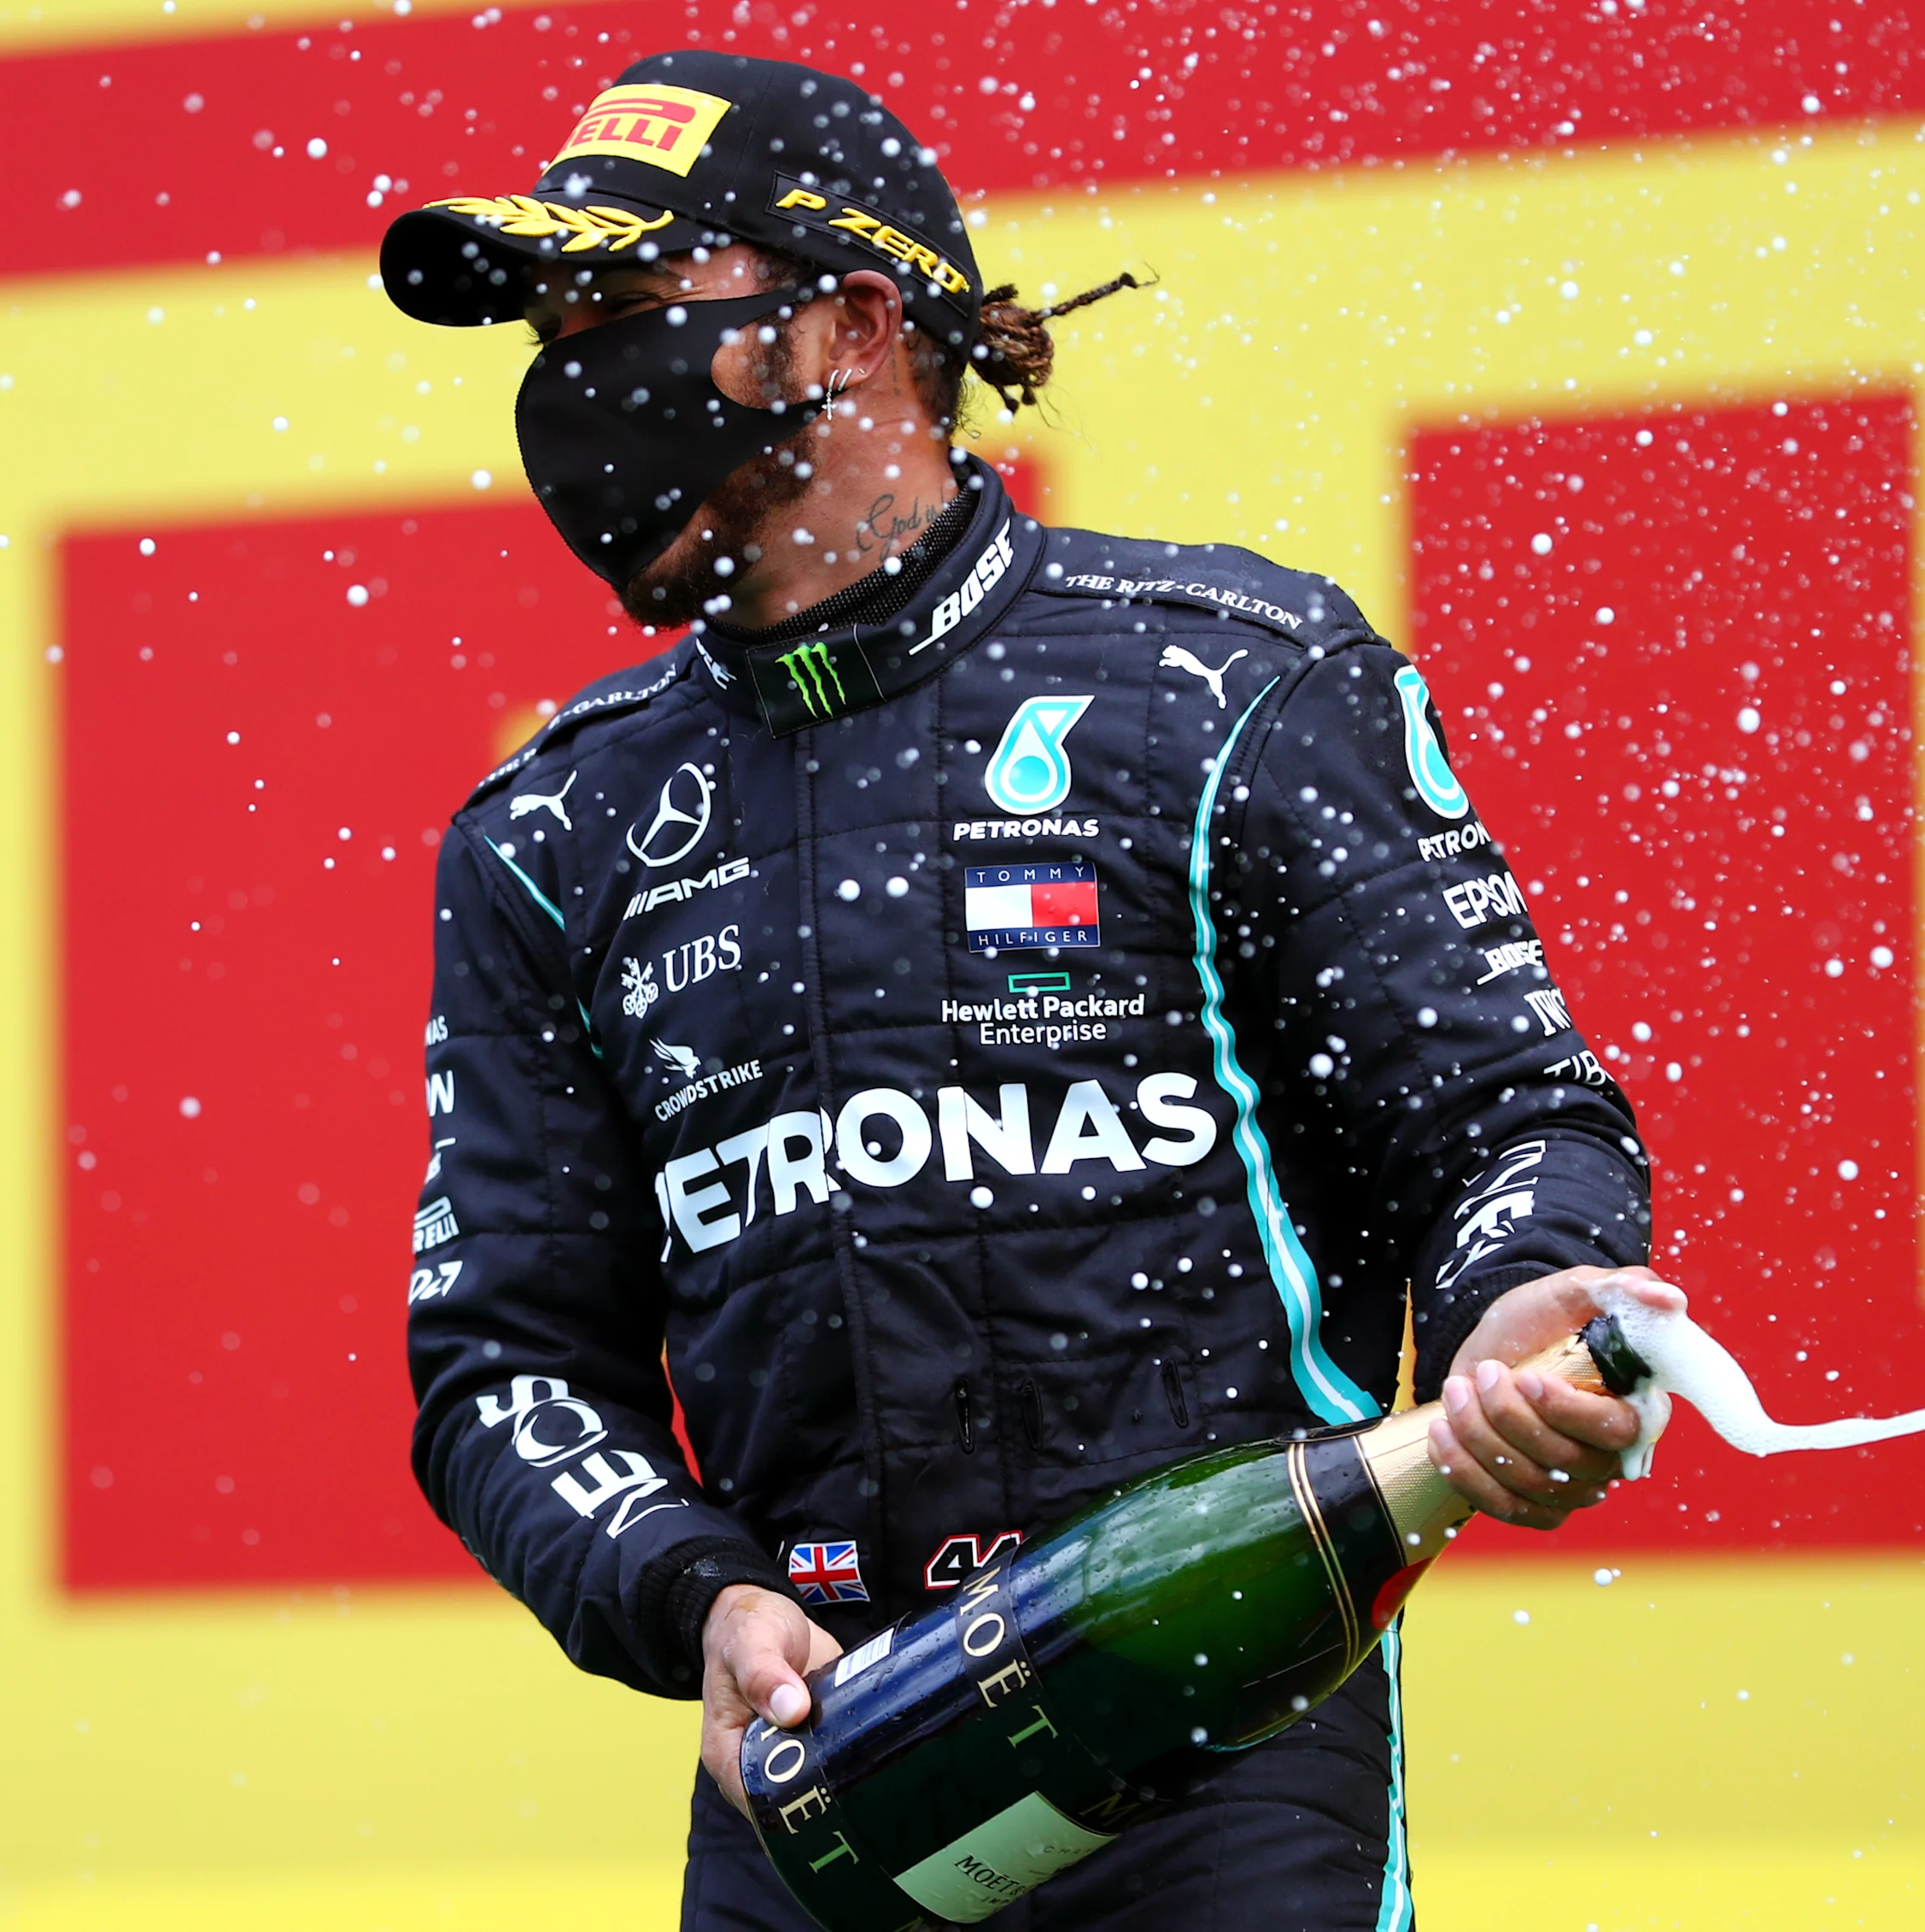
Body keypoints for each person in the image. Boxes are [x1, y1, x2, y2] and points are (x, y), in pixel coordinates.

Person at [380, 49, 1661, 1931]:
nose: (572, 388)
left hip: (1225, 1730)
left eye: (630, 312)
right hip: (821, 1764)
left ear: (852, 323)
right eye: (551, 331)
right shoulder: (550, 827)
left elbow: (1501, 1118)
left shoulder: (1235, 680)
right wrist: (695, 1594)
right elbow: (499, 1366)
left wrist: (1519, 1302)